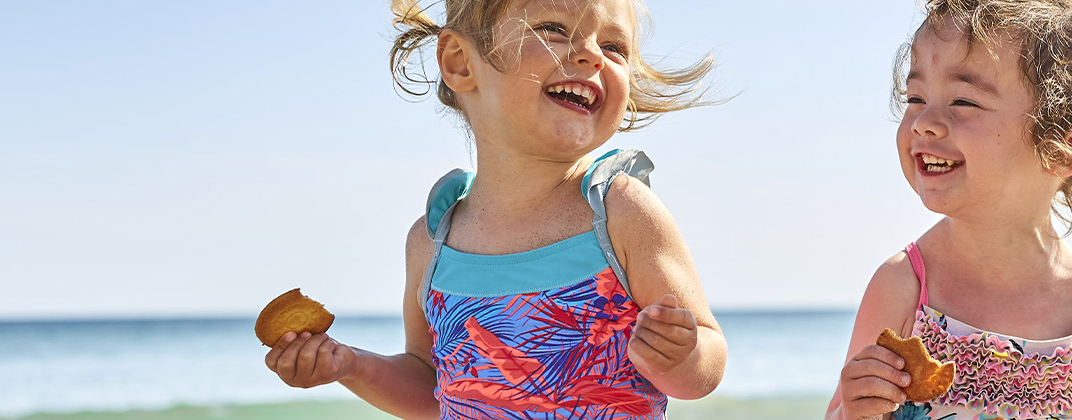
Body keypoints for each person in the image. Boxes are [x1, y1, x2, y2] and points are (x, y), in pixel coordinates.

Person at [263, 0, 726, 418]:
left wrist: (682, 358)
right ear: (460, 62)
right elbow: (432, 387)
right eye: (553, 28)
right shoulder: (432, 241)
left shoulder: (618, 211)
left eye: (614, 46)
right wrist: (352, 366)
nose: (591, 55)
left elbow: (707, 354)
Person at [829, 0, 1072, 418]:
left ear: (1066, 148)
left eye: (964, 101)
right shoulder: (903, 287)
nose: (924, 121)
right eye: (915, 97)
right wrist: (855, 409)